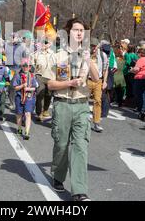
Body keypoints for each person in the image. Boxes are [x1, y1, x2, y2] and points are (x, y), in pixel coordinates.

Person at [43, 18, 99, 202]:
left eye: (82, 30)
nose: (80, 33)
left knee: (81, 146)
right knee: (61, 145)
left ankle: (79, 191)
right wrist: (69, 82)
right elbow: (50, 84)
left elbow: (96, 78)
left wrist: (88, 59)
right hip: (63, 104)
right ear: (68, 33)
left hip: (82, 105)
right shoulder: (57, 55)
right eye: (76, 29)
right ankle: (58, 175)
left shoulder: (87, 55)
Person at [87, 38, 109, 133]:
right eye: (91, 46)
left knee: (97, 101)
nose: (93, 48)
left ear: (98, 46)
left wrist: (105, 81)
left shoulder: (102, 55)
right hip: (87, 80)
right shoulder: (86, 54)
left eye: (94, 46)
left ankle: (96, 123)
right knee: (83, 100)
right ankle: (83, 120)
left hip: (98, 81)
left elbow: (105, 69)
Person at [13, 58, 38, 140]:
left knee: (28, 114)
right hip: (19, 96)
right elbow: (15, 87)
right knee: (19, 114)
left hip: (29, 97)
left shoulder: (32, 76)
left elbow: (35, 88)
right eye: (24, 66)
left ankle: (27, 132)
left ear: (30, 67)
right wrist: (22, 86)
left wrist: (28, 89)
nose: (26, 68)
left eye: (27, 66)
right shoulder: (17, 75)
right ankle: (19, 128)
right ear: (21, 66)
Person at [34, 40, 55, 122]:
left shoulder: (53, 54)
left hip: (50, 76)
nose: (44, 45)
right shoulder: (37, 53)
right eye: (42, 43)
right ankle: (39, 113)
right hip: (40, 76)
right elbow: (32, 63)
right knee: (40, 94)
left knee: (48, 94)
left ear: (49, 44)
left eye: (46, 43)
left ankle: (45, 110)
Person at [131, 48, 145, 119]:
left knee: (138, 95)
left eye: (138, 53)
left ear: (140, 53)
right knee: (144, 95)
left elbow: (136, 69)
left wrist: (131, 70)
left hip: (139, 78)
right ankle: (143, 110)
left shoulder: (141, 59)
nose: (137, 54)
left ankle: (140, 110)